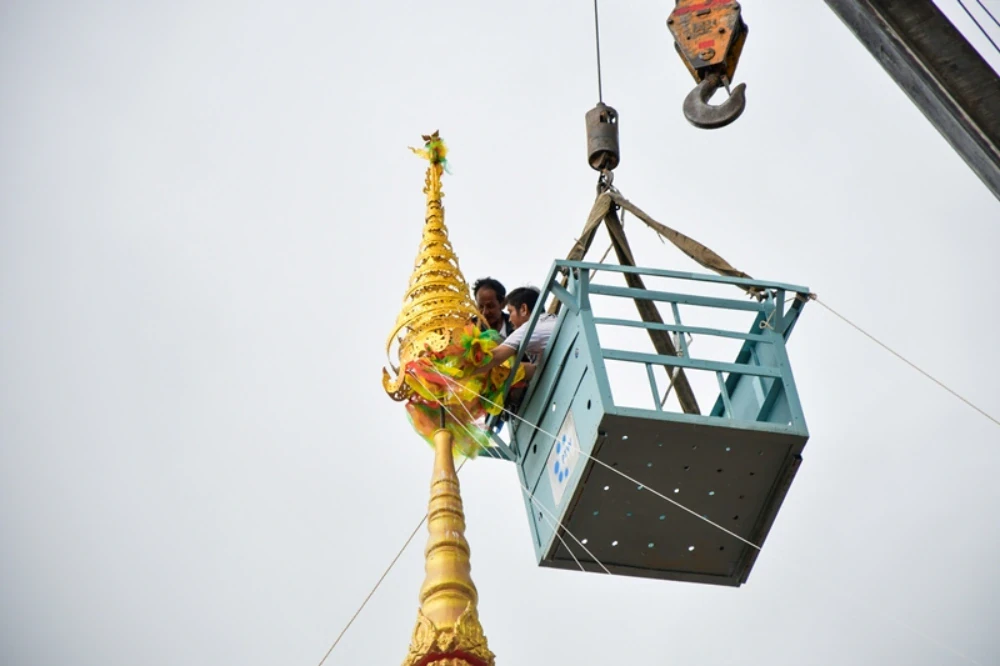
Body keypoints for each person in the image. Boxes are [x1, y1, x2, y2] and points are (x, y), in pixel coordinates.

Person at [477, 286, 556, 381]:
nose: (509, 319)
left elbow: (494, 358)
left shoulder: (527, 329)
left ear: (523, 309)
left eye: (510, 312)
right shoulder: (553, 320)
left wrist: (461, 372)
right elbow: (537, 370)